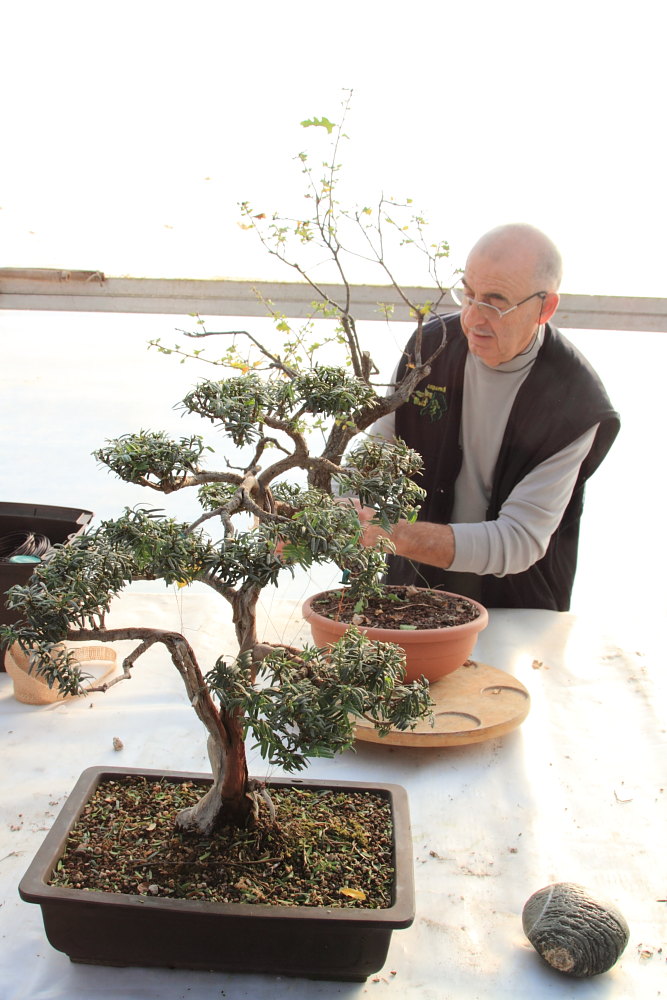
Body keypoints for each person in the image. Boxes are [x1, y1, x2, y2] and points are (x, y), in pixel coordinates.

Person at [354, 223, 620, 611]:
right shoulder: (430, 347)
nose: (473, 319)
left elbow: (519, 540)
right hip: (414, 592)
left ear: (545, 308)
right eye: (468, 295)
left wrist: (391, 534)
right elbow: (376, 455)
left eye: (495, 303)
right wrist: (328, 513)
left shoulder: (576, 402)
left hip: (517, 608)